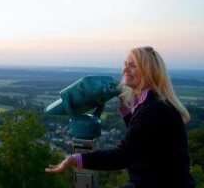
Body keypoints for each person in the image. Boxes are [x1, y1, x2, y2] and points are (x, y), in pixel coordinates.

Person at [45, 46, 196, 188]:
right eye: (125, 64)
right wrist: (123, 104)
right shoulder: (154, 104)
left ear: (149, 72)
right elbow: (140, 137)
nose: (125, 69)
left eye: (133, 65)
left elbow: (123, 155)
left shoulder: (153, 110)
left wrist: (76, 159)